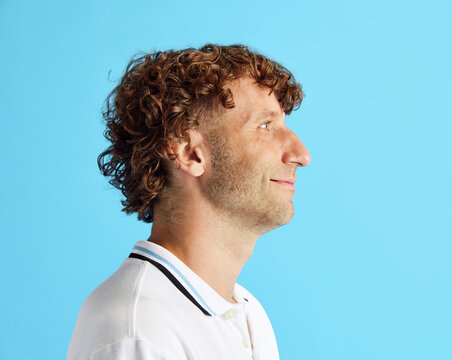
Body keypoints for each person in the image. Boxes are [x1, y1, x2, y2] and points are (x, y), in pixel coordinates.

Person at [67, 44, 311, 360]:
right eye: (265, 126)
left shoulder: (249, 315)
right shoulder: (140, 331)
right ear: (189, 153)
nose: (301, 155)